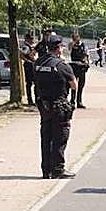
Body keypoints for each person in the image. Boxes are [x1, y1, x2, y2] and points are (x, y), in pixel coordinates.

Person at [34, 34, 77, 179]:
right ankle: (58, 169)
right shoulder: (61, 65)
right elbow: (74, 85)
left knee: (46, 137)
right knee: (60, 136)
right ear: (59, 48)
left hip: (43, 105)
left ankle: (46, 170)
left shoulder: (38, 63)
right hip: (59, 105)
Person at [68, 33, 89, 108]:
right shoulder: (71, 44)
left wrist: (86, 61)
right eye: (73, 38)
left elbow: (86, 54)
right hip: (74, 66)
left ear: (79, 38)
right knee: (74, 84)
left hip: (81, 67)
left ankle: (79, 102)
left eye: (76, 38)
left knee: (81, 85)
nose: (75, 40)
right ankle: (72, 101)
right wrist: (73, 44)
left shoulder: (83, 45)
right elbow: (69, 50)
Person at [22, 34, 37, 106]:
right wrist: (28, 61)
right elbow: (22, 54)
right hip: (29, 66)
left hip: (31, 65)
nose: (32, 40)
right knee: (30, 83)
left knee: (33, 83)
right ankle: (30, 100)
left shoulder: (30, 46)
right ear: (27, 39)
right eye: (31, 39)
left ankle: (34, 99)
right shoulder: (26, 46)